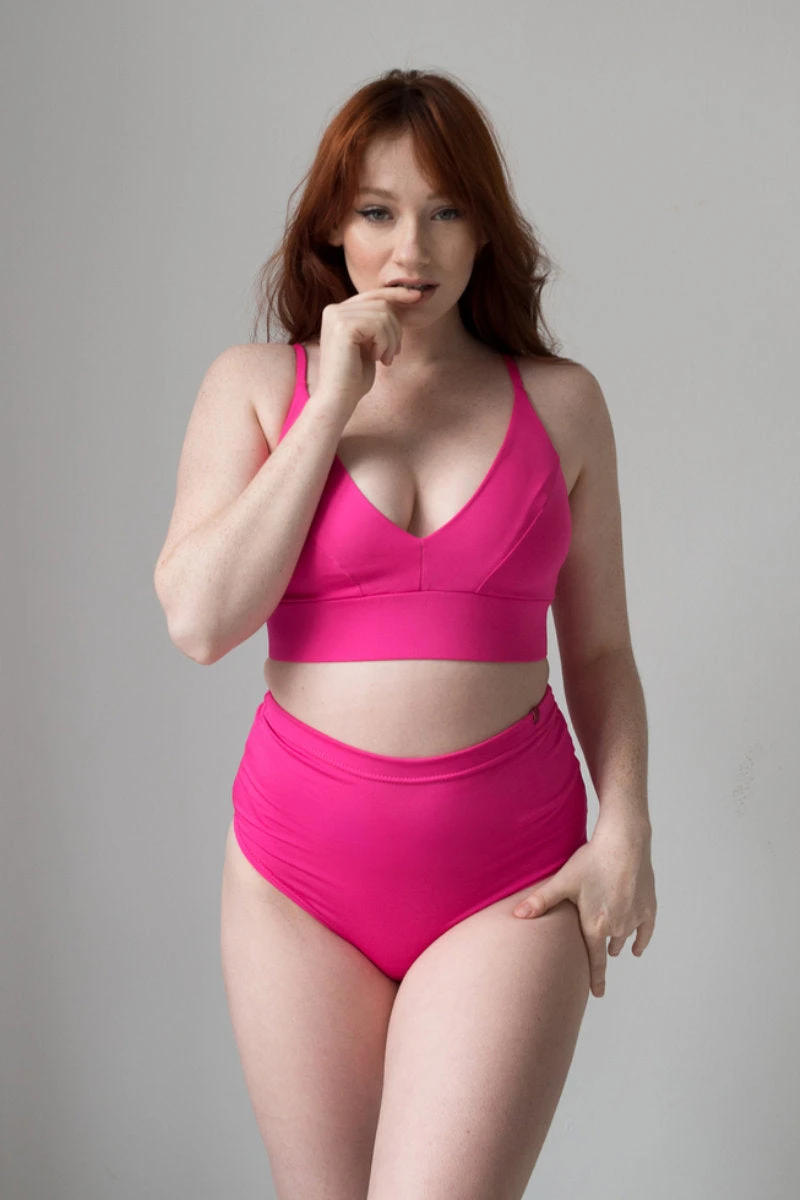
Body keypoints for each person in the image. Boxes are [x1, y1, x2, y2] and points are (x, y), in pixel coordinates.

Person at [154, 67, 656, 1200]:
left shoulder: (563, 403)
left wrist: (625, 824)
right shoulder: (255, 387)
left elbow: (599, 652)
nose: (409, 249)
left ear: (485, 228)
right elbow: (199, 619)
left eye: (445, 210)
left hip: (511, 878)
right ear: (332, 226)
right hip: (295, 885)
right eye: (377, 211)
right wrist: (331, 402)